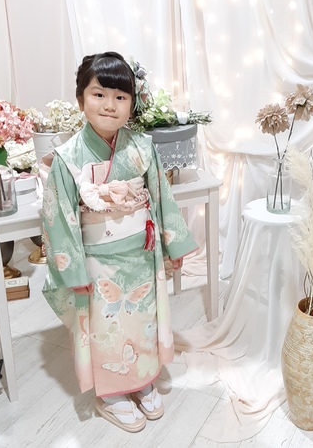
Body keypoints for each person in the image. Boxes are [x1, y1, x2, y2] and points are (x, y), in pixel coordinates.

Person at [41, 51, 198, 432]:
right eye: (99, 94)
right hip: (96, 261)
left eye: (120, 96)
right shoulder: (67, 157)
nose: (109, 105)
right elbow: (58, 218)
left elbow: (161, 197)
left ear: (132, 104)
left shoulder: (142, 147)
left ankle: (141, 380)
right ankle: (110, 394)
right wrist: (72, 270)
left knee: (143, 319)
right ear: (80, 99)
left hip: (141, 255)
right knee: (105, 326)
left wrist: (173, 245)